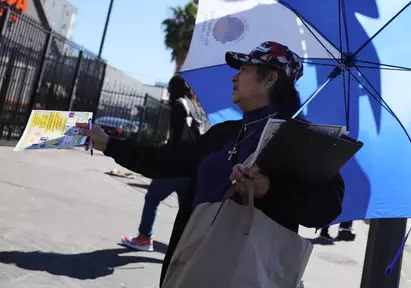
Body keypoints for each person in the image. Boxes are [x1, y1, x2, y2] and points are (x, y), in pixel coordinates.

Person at [79, 41, 344, 287]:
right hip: (194, 262)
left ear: (270, 79)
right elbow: (168, 161)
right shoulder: (226, 133)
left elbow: (327, 205)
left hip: (251, 273)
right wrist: (110, 144)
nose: (234, 77)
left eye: (244, 69)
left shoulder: (298, 138)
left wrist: (269, 191)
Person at [120, 75, 210, 252]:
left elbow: (177, 139)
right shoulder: (196, 107)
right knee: (187, 210)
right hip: (191, 167)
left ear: (174, 89)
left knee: (152, 197)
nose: (168, 92)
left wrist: (162, 155)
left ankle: (144, 238)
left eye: (169, 88)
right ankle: (189, 247)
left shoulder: (179, 106)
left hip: (174, 166)